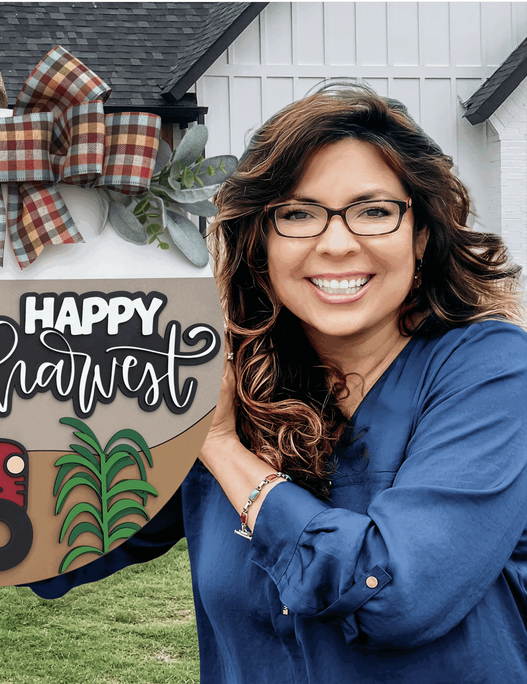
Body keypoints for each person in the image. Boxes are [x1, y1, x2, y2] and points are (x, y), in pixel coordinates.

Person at [29, 83, 527, 683]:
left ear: (420, 236)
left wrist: (218, 446)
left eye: (374, 211)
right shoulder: (228, 378)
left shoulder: (491, 372)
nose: (338, 243)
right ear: (260, 242)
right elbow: (57, 550)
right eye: (297, 214)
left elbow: (393, 597)